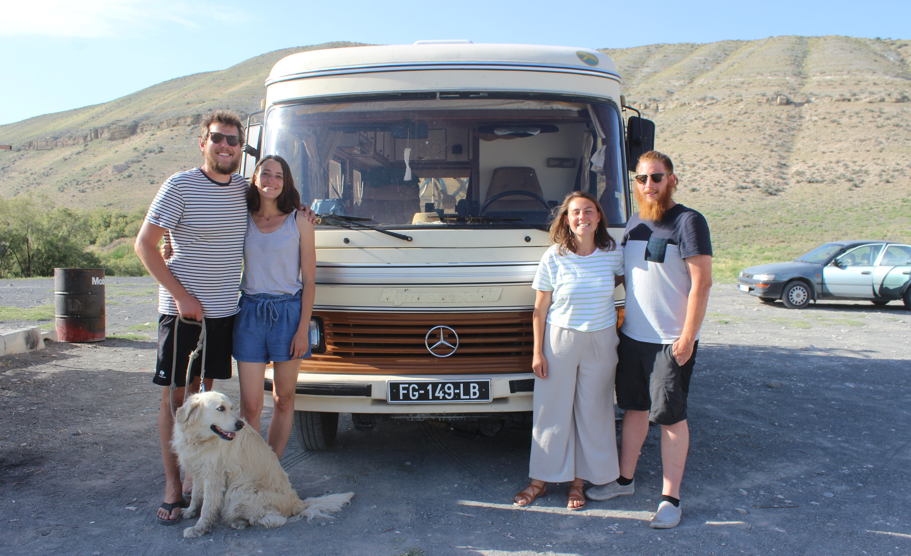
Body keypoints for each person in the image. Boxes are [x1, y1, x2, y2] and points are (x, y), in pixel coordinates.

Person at [585, 151, 712, 529]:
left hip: (670, 342)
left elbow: (702, 282)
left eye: (656, 178)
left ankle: (670, 499)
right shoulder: (636, 223)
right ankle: (624, 480)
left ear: (672, 179)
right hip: (633, 338)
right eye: (641, 179)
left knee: (671, 417)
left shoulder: (688, 222)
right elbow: (623, 275)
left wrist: (687, 337)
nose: (649, 185)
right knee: (634, 409)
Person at [135, 111, 249, 525]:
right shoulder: (179, 186)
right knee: (175, 398)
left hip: (222, 312)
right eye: (217, 138)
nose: (225, 146)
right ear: (203, 142)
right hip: (182, 314)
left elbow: (279, 204)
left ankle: (195, 479)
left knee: (205, 398)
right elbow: (145, 245)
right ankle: (171, 484)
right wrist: (181, 294)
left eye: (233, 141)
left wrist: (305, 214)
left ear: (241, 148)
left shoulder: (244, 189)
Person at [514, 191, 624, 511]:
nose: (582, 217)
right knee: (551, 410)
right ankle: (539, 481)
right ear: (566, 219)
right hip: (560, 339)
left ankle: (579, 483)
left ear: (598, 217)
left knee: (594, 411)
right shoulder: (554, 256)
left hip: (601, 340)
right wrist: (537, 352)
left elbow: (626, 283)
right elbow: (539, 309)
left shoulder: (613, 253)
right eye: (575, 213)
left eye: (588, 211)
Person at [234, 155, 315, 460]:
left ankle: (271, 469)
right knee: (250, 406)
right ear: (254, 178)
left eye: (279, 176)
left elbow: (309, 279)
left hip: (289, 313)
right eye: (265, 173)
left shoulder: (300, 221)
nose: (272, 180)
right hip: (250, 314)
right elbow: (208, 238)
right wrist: (172, 245)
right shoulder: (241, 217)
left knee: (284, 398)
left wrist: (302, 330)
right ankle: (250, 470)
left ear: (286, 182)